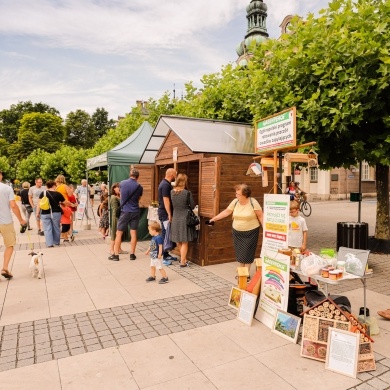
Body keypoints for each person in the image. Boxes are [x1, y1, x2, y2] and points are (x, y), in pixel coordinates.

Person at [209, 184, 263, 276]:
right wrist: (214, 218)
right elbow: (227, 211)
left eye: (238, 194)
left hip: (251, 231)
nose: (236, 195)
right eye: (236, 193)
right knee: (240, 252)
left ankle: (246, 274)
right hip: (237, 231)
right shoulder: (235, 202)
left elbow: (261, 216)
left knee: (248, 252)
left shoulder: (253, 202)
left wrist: (265, 229)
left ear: (245, 195)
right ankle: (241, 273)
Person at [108, 168, 143, 261]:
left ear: (130, 175)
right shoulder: (139, 187)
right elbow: (138, 199)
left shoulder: (122, 183)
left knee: (119, 233)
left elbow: (121, 195)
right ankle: (132, 254)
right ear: (138, 177)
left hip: (125, 211)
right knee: (133, 233)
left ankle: (116, 255)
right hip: (135, 211)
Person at [0, 171, 26, 279]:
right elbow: (13, 205)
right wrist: (21, 220)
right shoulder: (7, 188)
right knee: (9, 245)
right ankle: (5, 268)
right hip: (6, 222)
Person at [170, 173, 197, 268]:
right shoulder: (187, 193)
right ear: (185, 181)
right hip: (185, 218)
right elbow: (193, 205)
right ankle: (182, 262)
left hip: (176, 217)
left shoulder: (172, 192)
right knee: (185, 241)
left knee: (179, 240)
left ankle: (183, 259)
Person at [36, 180, 65, 248]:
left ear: (47, 186)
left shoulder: (43, 193)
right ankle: (56, 242)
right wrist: (72, 204)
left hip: (45, 213)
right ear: (54, 185)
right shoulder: (58, 194)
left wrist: (37, 212)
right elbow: (65, 202)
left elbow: (39, 204)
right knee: (56, 227)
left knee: (47, 228)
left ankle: (49, 244)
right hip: (56, 213)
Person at [158, 168, 177, 265]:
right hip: (165, 214)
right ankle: (162, 256)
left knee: (166, 233)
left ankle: (166, 254)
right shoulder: (165, 185)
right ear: (172, 175)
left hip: (164, 213)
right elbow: (166, 200)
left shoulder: (165, 183)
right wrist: (169, 214)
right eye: (175, 174)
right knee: (165, 234)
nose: (176, 176)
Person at [109, 183, 128, 255]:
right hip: (116, 217)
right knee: (115, 233)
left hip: (121, 217)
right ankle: (111, 249)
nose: (119, 189)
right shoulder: (113, 197)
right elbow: (115, 210)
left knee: (120, 234)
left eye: (120, 187)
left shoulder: (120, 196)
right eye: (117, 187)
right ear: (114, 188)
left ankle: (119, 248)